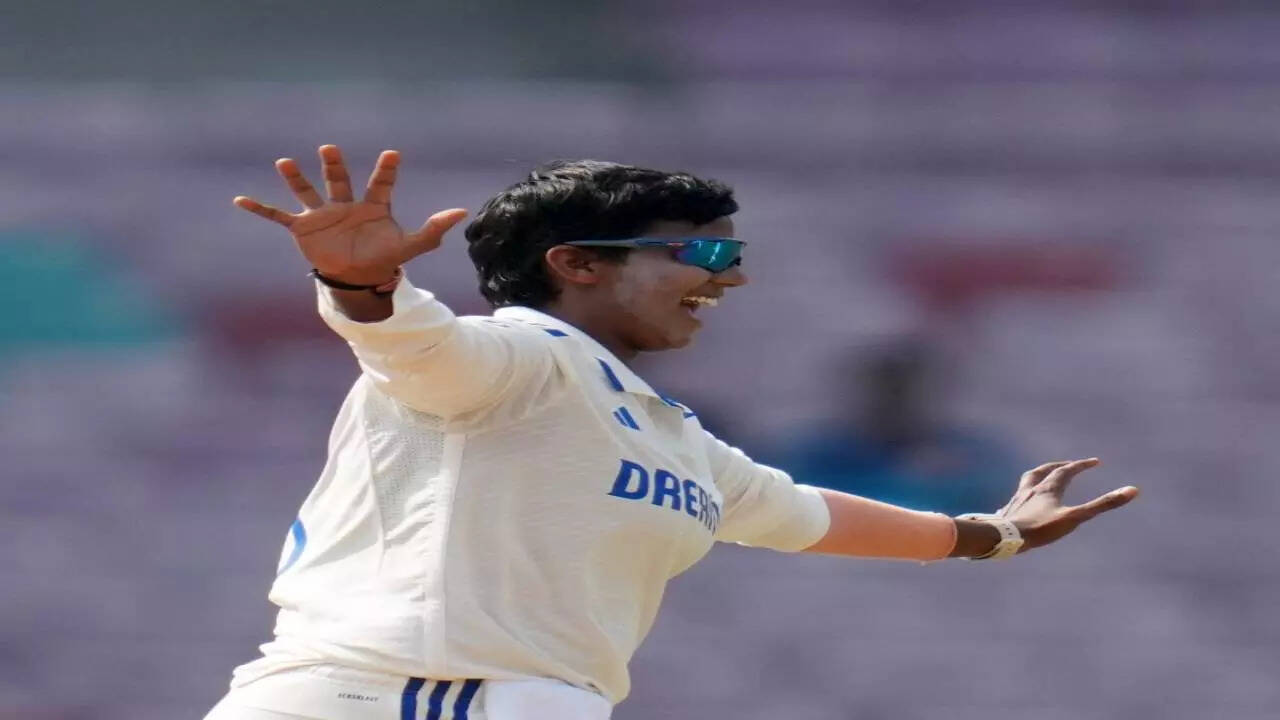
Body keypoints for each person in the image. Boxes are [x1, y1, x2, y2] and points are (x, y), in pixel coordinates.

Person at [207, 145, 1139, 720]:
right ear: (576, 264)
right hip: (407, 699)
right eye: (703, 251)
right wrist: (361, 285)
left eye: (732, 253)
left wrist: (993, 535)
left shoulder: (664, 431)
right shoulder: (520, 356)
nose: (728, 278)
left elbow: (804, 514)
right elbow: (412, 346)